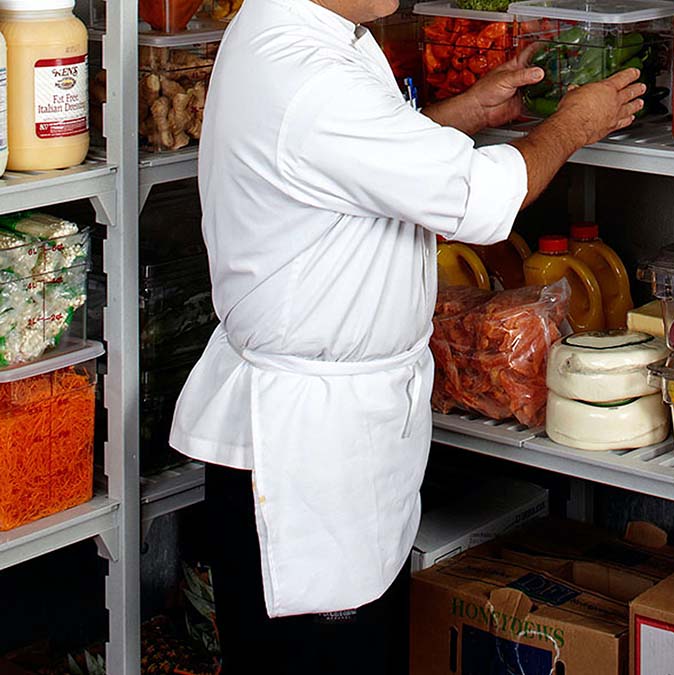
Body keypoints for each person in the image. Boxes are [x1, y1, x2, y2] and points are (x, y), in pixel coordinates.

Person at [167, 0, 645, 672]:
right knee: (321, 659)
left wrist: (462, 114)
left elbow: (344, 157)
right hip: (305, 449)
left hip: (328, 429)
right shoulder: (308, 71)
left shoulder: (297, 30)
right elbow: (480, 202)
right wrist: (570, 127)